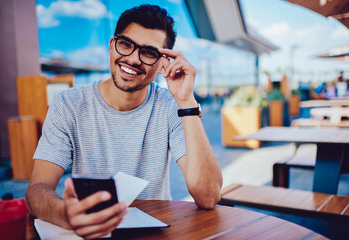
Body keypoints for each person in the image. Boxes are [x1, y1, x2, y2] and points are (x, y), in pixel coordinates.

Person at [26, 4, 222, 239]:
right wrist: (65, 214)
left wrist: (186, 101)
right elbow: (37, 190)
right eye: (126, 44)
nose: (132, 59)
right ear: (112, 46)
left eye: (148, 52)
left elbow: (208, 197)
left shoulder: (171, 106)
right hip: (90, 233)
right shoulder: (69, 105)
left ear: (162, 64)